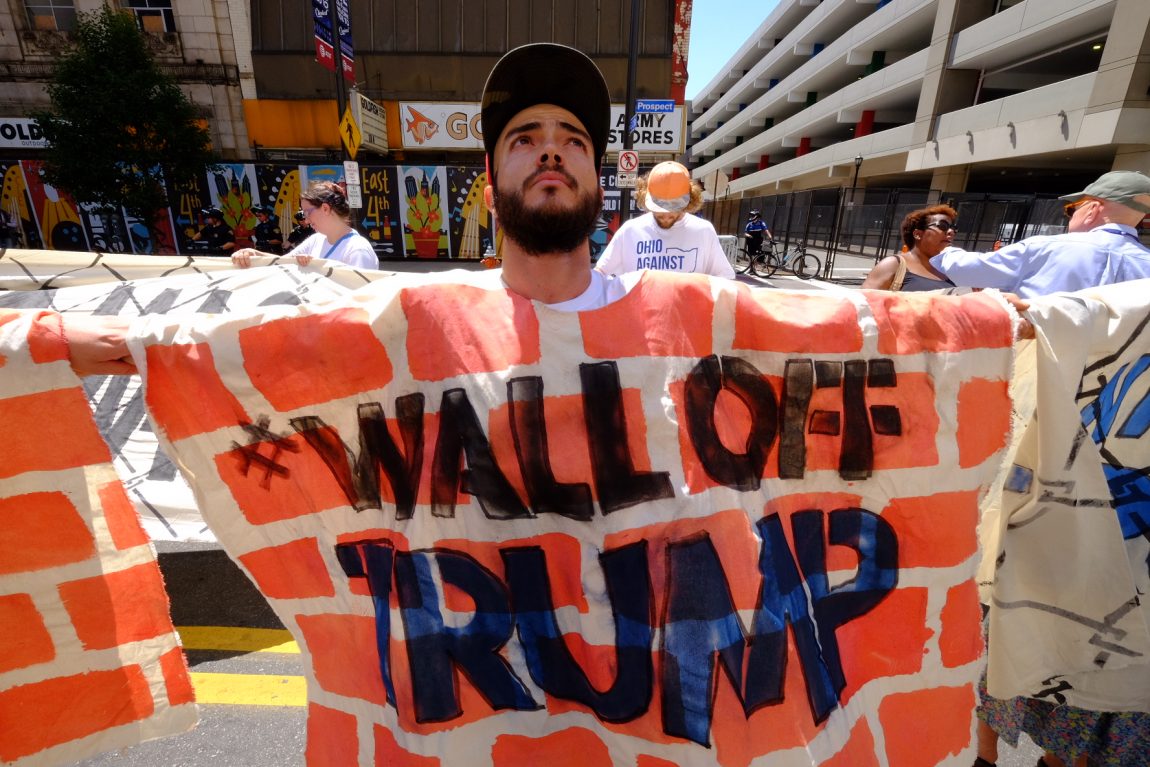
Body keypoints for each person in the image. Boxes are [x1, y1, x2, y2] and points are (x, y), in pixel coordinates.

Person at [933, 170, 1150, 298]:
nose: (1070, 215)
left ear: (1093, 209)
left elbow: (970, 271)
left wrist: (942, 252)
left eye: (1072, 209)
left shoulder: (1048, 248)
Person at [594, 160, 735, 279]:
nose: (666, 215)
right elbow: (600, 273)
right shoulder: (630, 230)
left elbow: (725, 278)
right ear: (645, 197)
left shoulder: (703, 231)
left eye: (673, 207)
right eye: (659, 207)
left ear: (690, 199)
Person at [231, 181, 379, 270]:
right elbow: (282, 264)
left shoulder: (357, 250)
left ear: (326, 209)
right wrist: (253, 254)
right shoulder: (316, 239)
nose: (306, 220)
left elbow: (361, 299)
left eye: (308, 212)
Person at [861, 205, 957, 291]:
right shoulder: (893, 264)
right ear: (918, 234)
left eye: (953, 228)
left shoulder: (951, 268)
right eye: (943, 226)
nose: (951, 231)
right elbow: (865, 304)